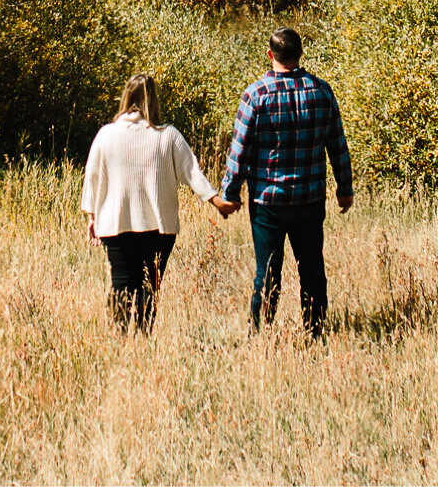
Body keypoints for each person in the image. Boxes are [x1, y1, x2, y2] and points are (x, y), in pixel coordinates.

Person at [213, 26, 353, 336]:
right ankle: (315, 331)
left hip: (268, 202)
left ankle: (260, 333)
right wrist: (345, 189)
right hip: (310, 198)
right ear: (300, 53)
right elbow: (337, 144)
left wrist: (230, 194)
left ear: (270, 54)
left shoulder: (256, 95)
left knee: (267, 274)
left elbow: (240, 151)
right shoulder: (321, 91)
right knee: (312, 269)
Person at [80, 73, 221, 334]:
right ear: (153, 100)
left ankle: (120, 342)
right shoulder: (167, 136)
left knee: (121, 285)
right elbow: (192, 172)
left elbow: (93, 177)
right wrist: (215, 199)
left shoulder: (106, 135)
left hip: (115, 222)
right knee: (149, 287)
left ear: (125, 98)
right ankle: (143, 337)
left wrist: (92, 216)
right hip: (158, 226)